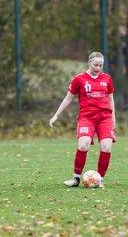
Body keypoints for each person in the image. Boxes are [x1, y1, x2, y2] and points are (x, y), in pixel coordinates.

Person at [49, 52, 116, 188]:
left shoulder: (107, 78)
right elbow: (68, 98)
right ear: (89, 63)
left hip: (105, 117)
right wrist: (56, 115)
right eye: (95, 65)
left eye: (100, 65)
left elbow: (110, 99)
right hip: (87, 117)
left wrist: (113, 117)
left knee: (106, 147)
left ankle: (100, 179)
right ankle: (76, 179)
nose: (98, 68)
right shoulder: (79, 79)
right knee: (83, 145)